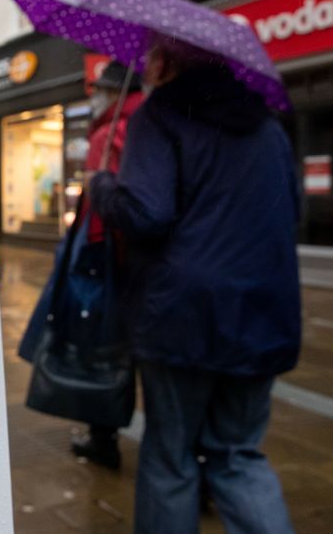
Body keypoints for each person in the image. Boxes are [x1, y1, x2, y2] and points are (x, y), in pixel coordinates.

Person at [89, 38, 301, 534]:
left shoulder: (159, 116)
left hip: (182, 316)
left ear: (165, 63)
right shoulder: (269, 128)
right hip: (264, 313)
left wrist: (102, 189)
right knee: (238, 456)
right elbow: (291, 213)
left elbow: (147, 212)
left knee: (171, 457)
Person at [70, 61, 143, 470]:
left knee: (101, 350)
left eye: (100, 88)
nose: (94, 94)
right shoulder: (150, 123)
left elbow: (101, 209)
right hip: (142, 260)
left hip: (106, 258)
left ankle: (103, 438)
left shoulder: (109, 130)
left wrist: (88, 254)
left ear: (115, 92)